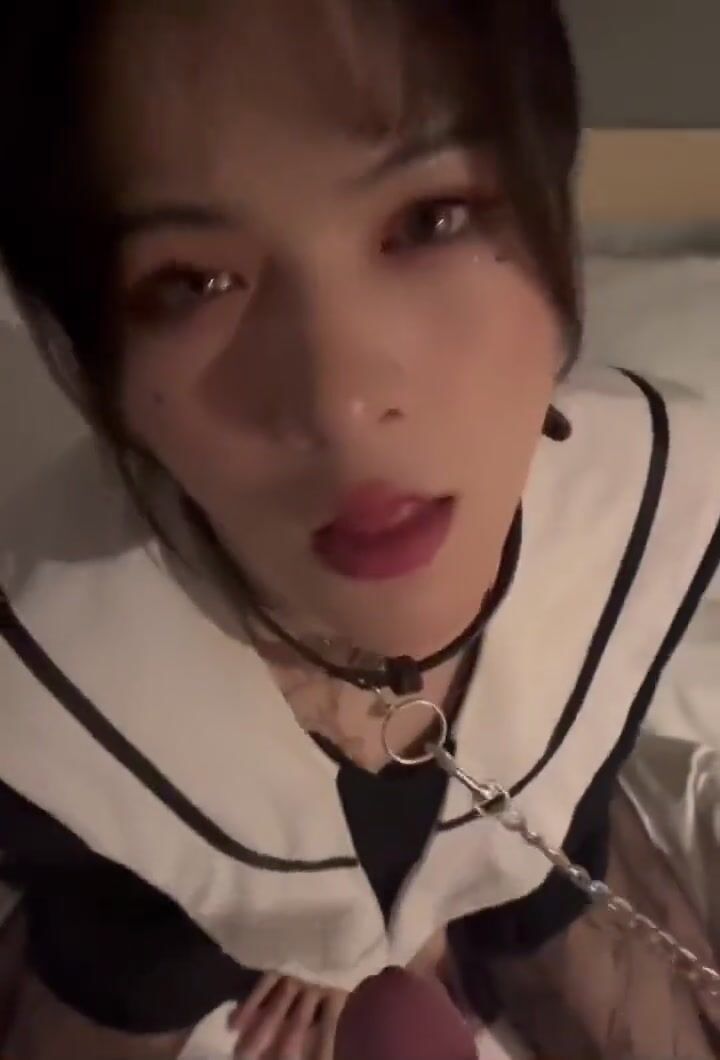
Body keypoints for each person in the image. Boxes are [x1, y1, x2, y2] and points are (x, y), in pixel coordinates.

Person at [0, 2, 718, 1058]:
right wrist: (307, 929)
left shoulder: (652, 500)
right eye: (194, 283)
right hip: (153, 912)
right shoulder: (49, 671)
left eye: (430, 220)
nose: (340, 404)